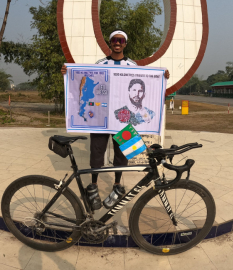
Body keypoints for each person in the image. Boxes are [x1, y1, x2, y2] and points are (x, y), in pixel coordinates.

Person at [61, 30, 170, 210]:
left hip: (123, 119)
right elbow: (85, 79)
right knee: (96, 153)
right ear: (110, 43)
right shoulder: (100, 64)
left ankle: (117, 184)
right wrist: (67, 72)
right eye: (114, 40)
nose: (117, 43)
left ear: (125, 44)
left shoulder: (132, 65)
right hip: (101, 119)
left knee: (123, 153)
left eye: (121, 40)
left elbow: (148, 81)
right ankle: (93, 185)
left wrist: (162, 77)